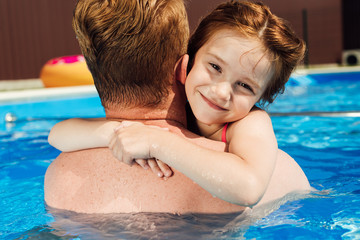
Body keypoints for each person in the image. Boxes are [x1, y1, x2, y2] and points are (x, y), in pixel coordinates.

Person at [45, 0, 311, 214]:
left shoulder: (251, 123)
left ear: (260, 99)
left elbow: (249, 188)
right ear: (186, 66)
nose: (221, 92)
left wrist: (159, 143)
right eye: (215, 67)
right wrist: (113, 132)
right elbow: (56, 134)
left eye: (246, 86)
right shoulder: (192, 102)